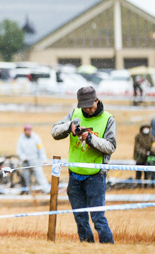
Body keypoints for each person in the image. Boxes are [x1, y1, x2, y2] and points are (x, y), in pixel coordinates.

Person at [52, 86, 116, 244]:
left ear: (97, 100)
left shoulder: (108, 119)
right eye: (84, 106)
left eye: (90, 105)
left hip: (95, 177)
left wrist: (90, 138)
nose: (87, 109)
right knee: (80, 219)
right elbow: (54, 131)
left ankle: (109, 249)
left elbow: (111, 147)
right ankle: (87, 247)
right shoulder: (75, 114)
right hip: (74, 176)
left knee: (98, 218)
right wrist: (69, 127)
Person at [16, 124, 50, 193]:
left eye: (29, 130)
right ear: (24, 131)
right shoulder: (21, 139)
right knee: (27, 178)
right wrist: (23, 158)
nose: (28, 132)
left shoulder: (36, 138)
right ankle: (30, 192)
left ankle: (47, 190)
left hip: (35, 161)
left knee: (40, 176)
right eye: (27, 130)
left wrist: (44, 159)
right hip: (25, 163)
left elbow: (41, 149)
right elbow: (19, 151)